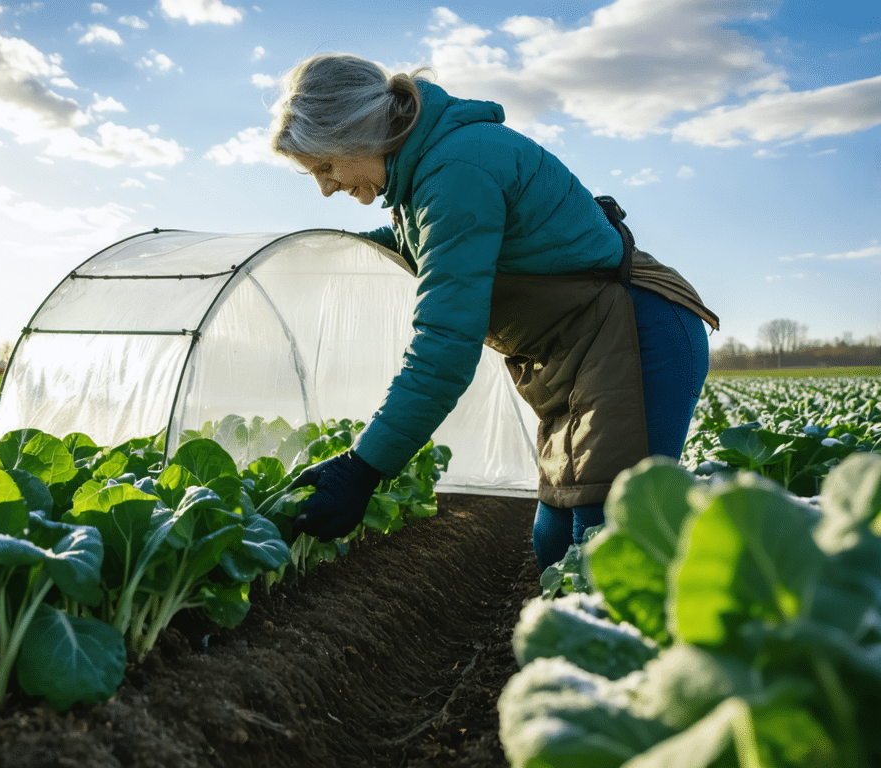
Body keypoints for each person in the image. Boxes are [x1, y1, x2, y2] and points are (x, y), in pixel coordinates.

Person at [271, 53, 718, 570]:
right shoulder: (424, 175)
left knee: (603, 546)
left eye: (326, 167)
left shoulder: (455, 169)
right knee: (555, 544)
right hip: (580, 352)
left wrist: (363, 468)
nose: (326, 187)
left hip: (636, 337)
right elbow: (428, 246)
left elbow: (444, 348)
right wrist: (328, 254)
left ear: (358, 133)